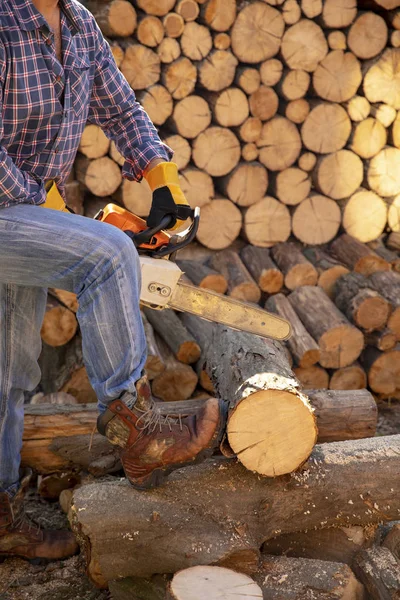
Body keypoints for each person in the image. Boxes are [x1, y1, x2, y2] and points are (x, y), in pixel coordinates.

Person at [0, 0, 224, 561]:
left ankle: (1, 516)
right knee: (106, 254)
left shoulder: (76, 24)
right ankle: (135, 427)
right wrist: (45, 207)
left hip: (22, 212)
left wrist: (164, 180)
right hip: (10, 204)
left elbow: (122, 109)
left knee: (8, 370)